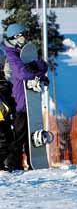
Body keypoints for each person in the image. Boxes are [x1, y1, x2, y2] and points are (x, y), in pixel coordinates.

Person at [3, 23, 48, 171]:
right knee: (19, 135)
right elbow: (22, 73)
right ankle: (13, 165)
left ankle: (34, 162)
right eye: (24, 35)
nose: (27, 38)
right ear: (16, 38)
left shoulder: (26, 52)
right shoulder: (11, 54)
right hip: (19, 101)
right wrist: (35, 69)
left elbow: (43, 66)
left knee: (32, 134)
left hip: (32, 101)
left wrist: (36, 69)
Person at [0, 47, 16, 171]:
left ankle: (7, 164)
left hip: (5, 109)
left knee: (7, 135)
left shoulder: (4, 80)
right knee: (4, 136)